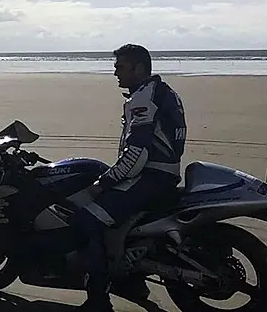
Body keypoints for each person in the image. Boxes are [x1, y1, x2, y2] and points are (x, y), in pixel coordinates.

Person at [71, 44, 187, 311]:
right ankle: (132, 282)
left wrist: (104, 183)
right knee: (122, 226)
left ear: (139, 68)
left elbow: (137, 154)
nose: (115, 73)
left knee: (87, 220)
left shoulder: (143, 99)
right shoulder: (165, 91)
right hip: (166, 174)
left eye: (120, 67)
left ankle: (98, 299)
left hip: (151, 177)